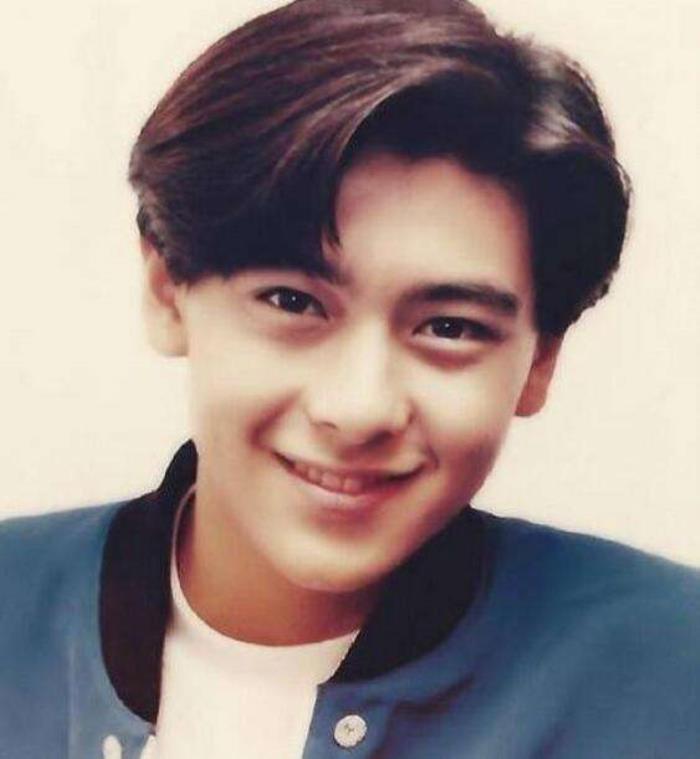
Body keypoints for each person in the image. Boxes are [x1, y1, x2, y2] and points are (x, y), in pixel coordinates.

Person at [1, 1, 698, 757]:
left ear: (539, 360)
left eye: (450, 327)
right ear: (167, 291)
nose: (358, 408)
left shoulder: (672, 667)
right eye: (292, 302)